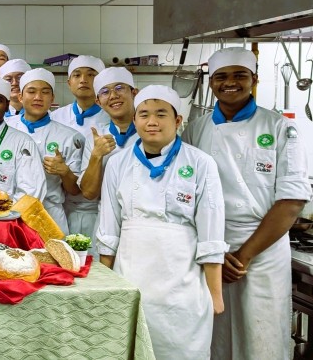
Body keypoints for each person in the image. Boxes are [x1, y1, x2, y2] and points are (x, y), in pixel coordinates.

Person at [181, 47, 311, 360]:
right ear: (211, 82)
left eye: (240, 75)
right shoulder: (195, 129)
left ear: (254, 79)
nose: (230, 82)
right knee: (213, 336)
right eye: (221, 76)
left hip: (263, 251)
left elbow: (292, 201)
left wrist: (243, 255)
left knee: (261, 337)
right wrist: (214, 249)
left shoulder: (279, 127)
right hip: (210, 247)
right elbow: (183, 192)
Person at [97, 85, 226, 360]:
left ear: (178, 121)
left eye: (161, 114)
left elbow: (211, 234)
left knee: (182, 351)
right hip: (130, 277)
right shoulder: (117, 163)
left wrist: (215, 294)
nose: (152, 122)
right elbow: (108, 232)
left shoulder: (201, 163)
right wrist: (102, 288)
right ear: (135, 120)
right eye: (143, 114)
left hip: (183, 284)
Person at [5, 69, 82, 234]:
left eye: (45, 92)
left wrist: (64, 172)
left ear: (52, 98)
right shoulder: (4, 128)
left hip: (50, 214)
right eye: (31, 91)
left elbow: (75, 190)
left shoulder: (68, 136)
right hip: (10, 213)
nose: (38, 97)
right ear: (20, 97)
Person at [77, 67, 140, 250]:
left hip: (144, 223)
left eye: (120, 88)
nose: (113, 96)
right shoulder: (95, 138)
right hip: (106, 222)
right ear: (98, 101)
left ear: (133, 92)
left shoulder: (150, 132)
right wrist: (96, 156)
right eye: (105, 92)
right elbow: (88, 193)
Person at [0, 76, 48, 215]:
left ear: (7, 106)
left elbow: (30, 193)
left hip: (7, 226)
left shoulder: (23, 142)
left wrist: (3, 220)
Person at [50, 55, 110, 238]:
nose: (83, 80)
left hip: (100, 208)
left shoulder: (110, 117)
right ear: (69, 83)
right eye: (77, 75)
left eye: (91, 75)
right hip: (62, 206)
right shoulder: (56, 117)